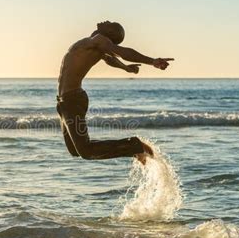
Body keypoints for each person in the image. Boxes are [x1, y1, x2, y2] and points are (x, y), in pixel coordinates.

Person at [57, 21, 173, 164]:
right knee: (76, 150)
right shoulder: (94, 45)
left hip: (73, 99)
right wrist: (126, 69)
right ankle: (132, 147)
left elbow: (124, 52)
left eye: (111, 24)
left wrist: (152, 61)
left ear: (110, 33)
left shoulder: (99, 39)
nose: (106, 21)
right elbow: (109, 59)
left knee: (86, 151)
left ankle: (134, 146)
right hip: (64, 101)